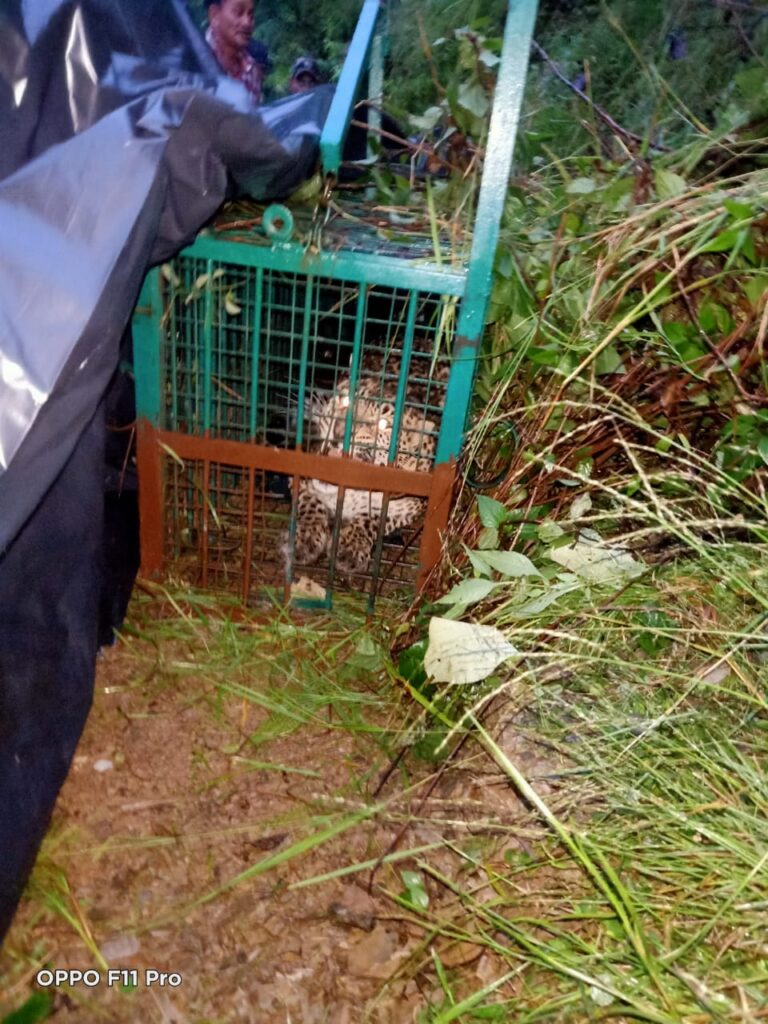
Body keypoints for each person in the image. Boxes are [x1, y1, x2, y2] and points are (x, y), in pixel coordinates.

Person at [206, 0, 270, 104]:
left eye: (250, 15)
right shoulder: (192, 63)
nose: (247, 22)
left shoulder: (252, 71)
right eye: (238, 12)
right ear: (214, 15)